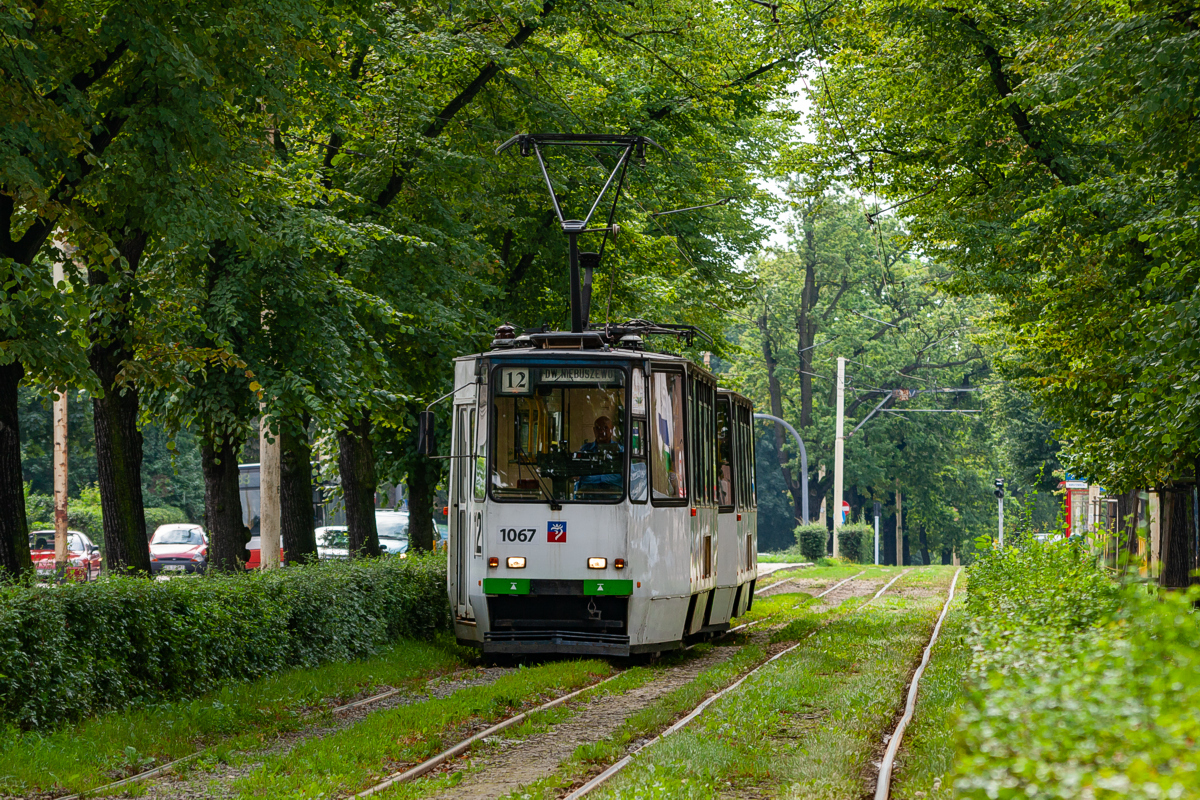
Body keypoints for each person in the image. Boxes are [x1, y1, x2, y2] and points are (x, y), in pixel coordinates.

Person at [576, 415, 623, 493]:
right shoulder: (585, 450)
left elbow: (631, 474)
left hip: (614, 493)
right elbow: (576, 473)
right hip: (588, 491)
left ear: (612, 429)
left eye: (605, 428)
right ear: (594, 430)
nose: (601, 431)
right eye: (598, 428)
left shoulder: (621, 450)